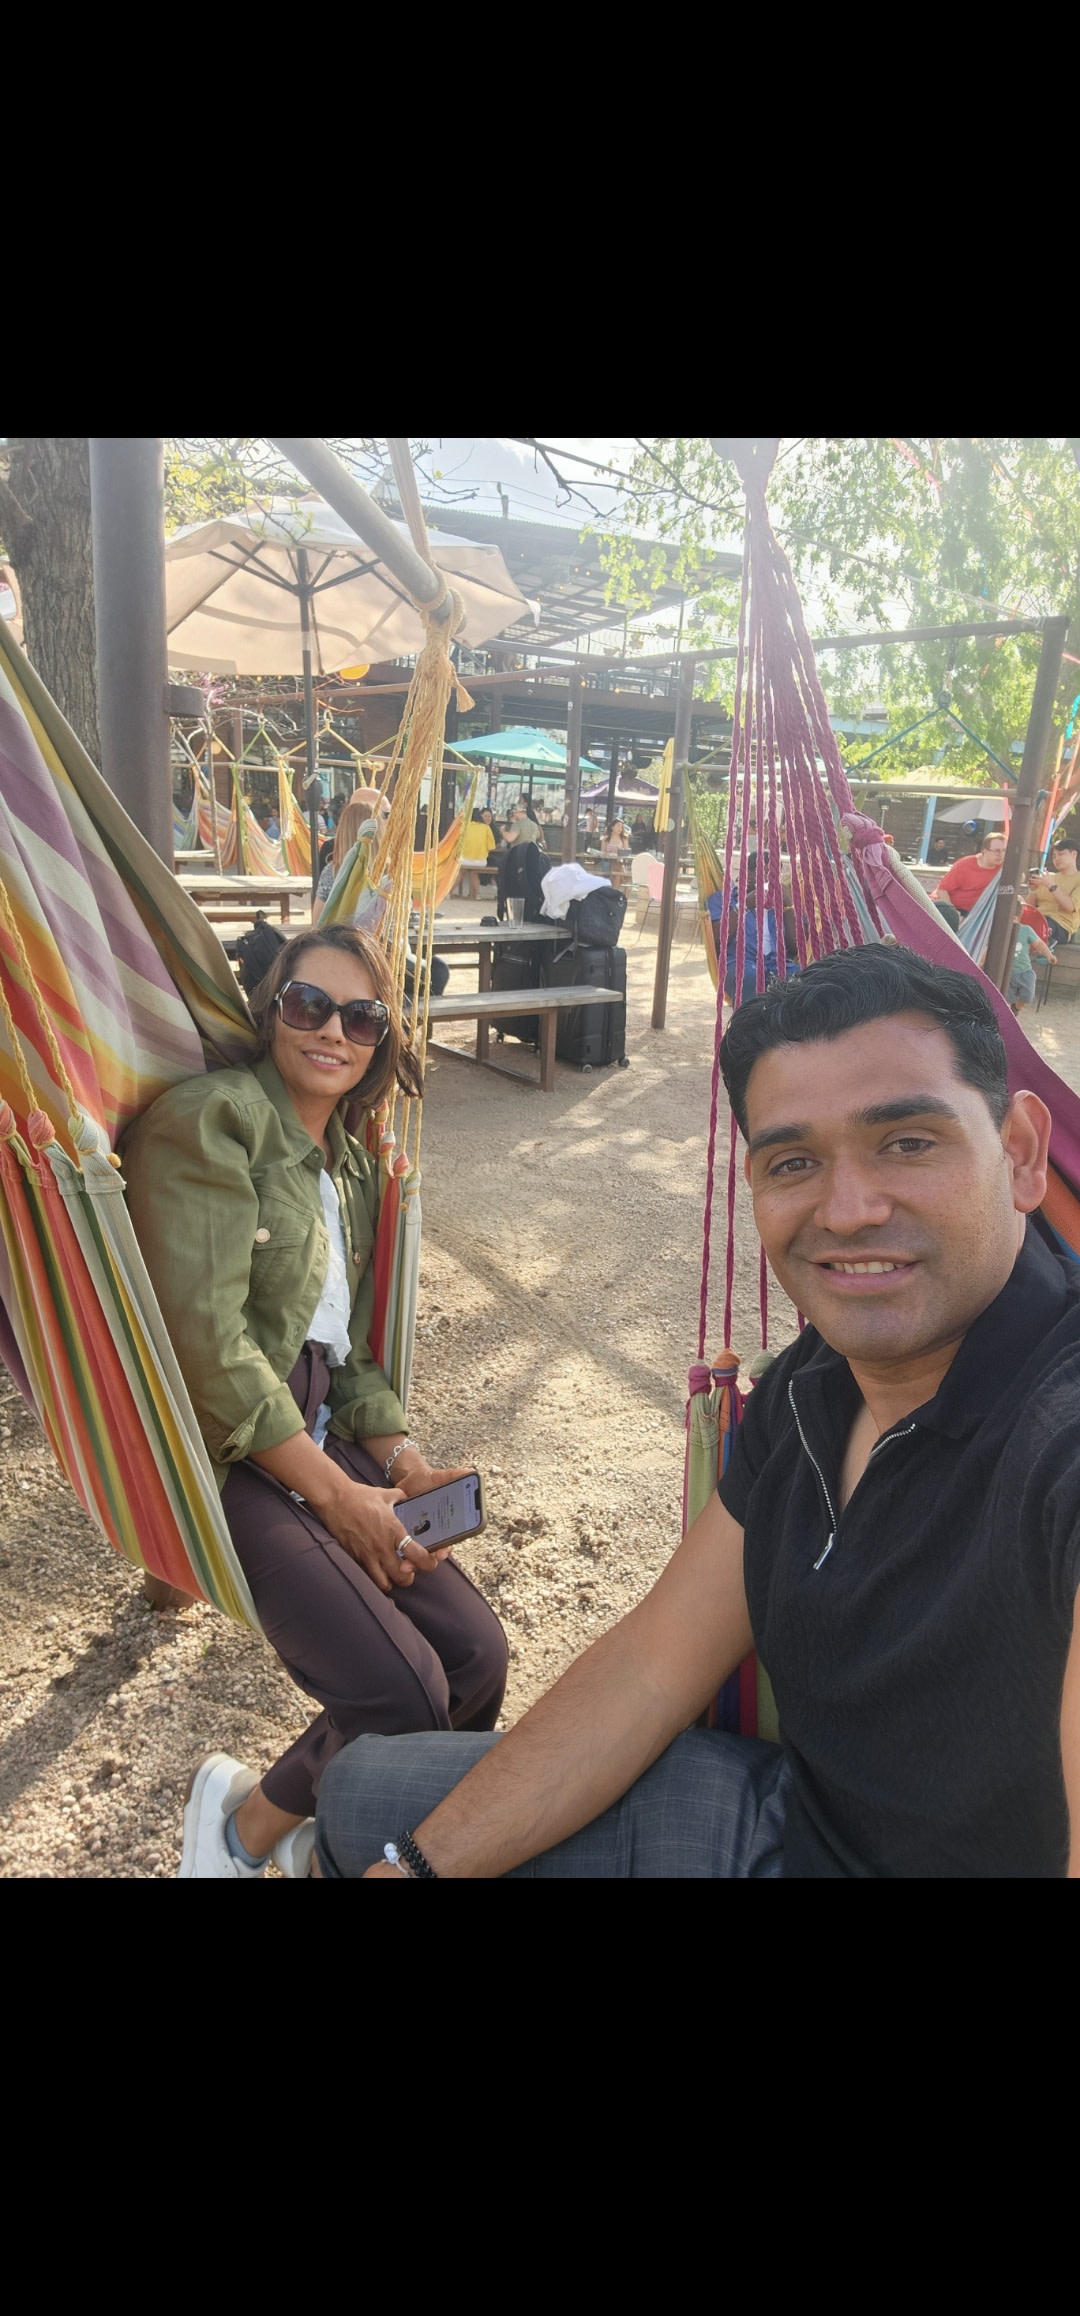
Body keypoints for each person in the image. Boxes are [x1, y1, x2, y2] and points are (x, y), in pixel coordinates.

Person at [312, 944, 1080, 1879]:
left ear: (1021, 1153)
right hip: (796, 1820)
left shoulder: (1057, 1440)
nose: (847, 1211)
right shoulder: (816, 1383)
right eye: (794, 1161)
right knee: (356, 1795)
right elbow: (653, 1665)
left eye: (908, 1142)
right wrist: (417, 1871)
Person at [122, 925, 507, 1879]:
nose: (334, 1030)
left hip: (320, 1430)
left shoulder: (352, 1168)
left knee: (476, 1660)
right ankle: (280, 1847)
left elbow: (352, 1356)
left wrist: (406, 1466)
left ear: (380, 1041)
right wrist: (338, 1497)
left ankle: (254, 1830)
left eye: (362, 1017)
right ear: (271, 1011)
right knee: (403, 1694)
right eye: (310, 1005)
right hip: (222, 1453)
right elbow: (206, 1351)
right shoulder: (213, 1124)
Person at [931, 829, 1005, 917]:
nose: (1001, 854)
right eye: (997, 851)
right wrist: (953, 913)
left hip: (978, 915)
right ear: (985, 852)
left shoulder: (1004, 867)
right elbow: (942, 890)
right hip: (949, 909)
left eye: (1004, 850)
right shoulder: (965, 865)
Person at [1028, 840, 1080, 947]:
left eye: (1061, 854)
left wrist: (1052, 886)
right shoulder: (1049, 877)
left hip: (1061, 925)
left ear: (1074, 854)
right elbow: (1029, 907)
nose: (1057, 858)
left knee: (1040, 927)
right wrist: (1032, 890)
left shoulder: (1076, 879)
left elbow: (1070, 907)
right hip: (1037, 918)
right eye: (1054, 856)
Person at [1008, 899, 1054, 1014]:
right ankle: (1010, 1013)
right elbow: (989, 946)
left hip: (1024, 971)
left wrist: (1049, 955)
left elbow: (1038, 944)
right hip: (1007, 974)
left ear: (1017, 917)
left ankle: (1016, 1008)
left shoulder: (1026, 930)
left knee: (1027, 997)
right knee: (1007, 999)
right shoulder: (1001, 930)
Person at [456, 805, 497, 901]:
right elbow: (491, 847)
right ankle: (477, 895)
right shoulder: (486, 828)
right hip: (480, 861)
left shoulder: (464, 826)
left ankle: (448, 893)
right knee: (475, 873)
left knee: (461, 872)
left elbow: (458, 843)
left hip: (464, 860)